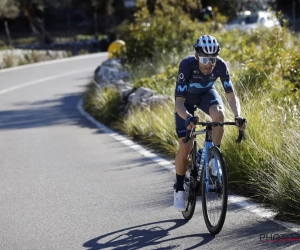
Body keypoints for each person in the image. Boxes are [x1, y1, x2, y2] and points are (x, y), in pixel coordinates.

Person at [174, 35, 247, 211]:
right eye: (205, 59)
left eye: (212, 59)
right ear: (197, 55)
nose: (209, 64)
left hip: (207, 94)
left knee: (219, 115)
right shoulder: (187, 65)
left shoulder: (220, 65)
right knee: (185, 146)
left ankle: (214, 156)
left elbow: (230, 95)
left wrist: (238, 115)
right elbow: (179, 103)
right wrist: (188, 117)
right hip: (186, 102)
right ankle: (179, 188)